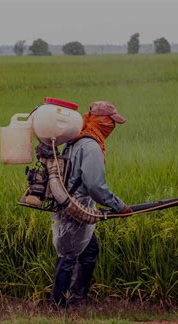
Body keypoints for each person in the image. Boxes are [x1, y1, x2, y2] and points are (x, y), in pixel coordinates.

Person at [50, 101, 132, 306]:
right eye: (110, 122)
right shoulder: (91, 145)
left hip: (71, 204)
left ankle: (78, 298)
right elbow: (95, 186)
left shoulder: (76, 140)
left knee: (89, 251)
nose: (111, 127)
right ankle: (58, 306)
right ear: (102, 121)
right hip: (76, 208)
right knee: (68, 255)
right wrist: (118, 206)